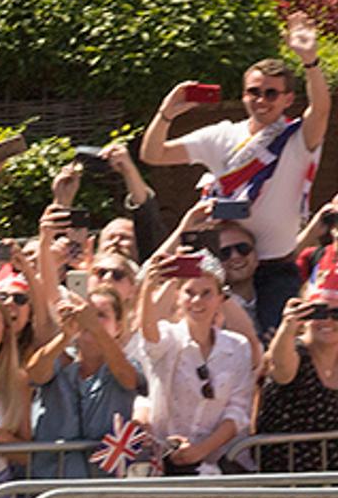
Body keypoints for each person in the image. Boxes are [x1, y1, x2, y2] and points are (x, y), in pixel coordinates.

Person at [139, 17, 327, 338]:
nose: (262, 100)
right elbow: (153, 154)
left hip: (274, 268)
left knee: (280, 347)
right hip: (221, 263)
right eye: (254, 92)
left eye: (271, 93)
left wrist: (310, 61)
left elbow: (321, 109)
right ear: (243, 96)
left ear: (287, 99)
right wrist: (167, 112)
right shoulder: (222, 135)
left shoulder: (298, 138)